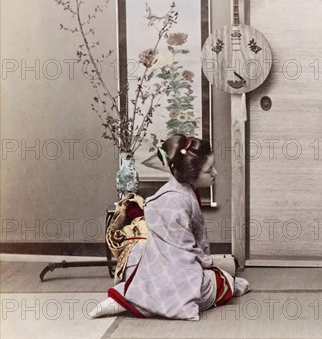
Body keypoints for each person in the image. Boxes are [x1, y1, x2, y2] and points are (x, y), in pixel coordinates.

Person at [91, 135, 250, 320]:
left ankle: (131, 298)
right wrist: (208, 264)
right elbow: (184, 250)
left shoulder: (181, 192)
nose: (215, 173)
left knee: (148, 281)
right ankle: (134, 300)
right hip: (177, 268)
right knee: (221, 282)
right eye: (209, 170)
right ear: (191, 173)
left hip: (158, 265)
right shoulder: (174, 201)